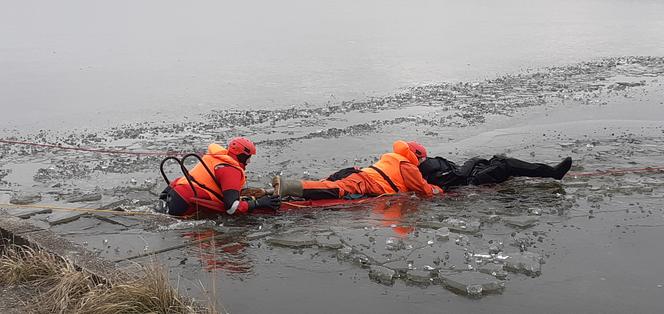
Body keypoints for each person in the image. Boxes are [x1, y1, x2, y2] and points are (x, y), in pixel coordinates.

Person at [273, 140, 443, 199]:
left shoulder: (392, 157)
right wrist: (440, 190)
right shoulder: (407, 166)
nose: (422, 163)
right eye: (421, 159)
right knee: (334, 190)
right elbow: (424, 190)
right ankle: (288, 187)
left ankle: (273, 191)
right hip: (364, 182)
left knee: (323, 185)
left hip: (356, 172)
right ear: (416, 156)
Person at [158, 137, 281, 216]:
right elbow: (232, 208)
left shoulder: (216, 158)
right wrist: (259, 203)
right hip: (184, 203)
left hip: (171, 192)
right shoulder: (231, 170)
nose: (249, 162)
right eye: (249, 158)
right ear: (243, 156)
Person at [418, 154, 573, 191]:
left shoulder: (428, 169)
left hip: (472, 176)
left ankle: (547, 171)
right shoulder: (431, 173)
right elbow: (460, 175)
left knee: (498, 159)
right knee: (506, 164)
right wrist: (473, 161)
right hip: (473, 181)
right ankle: (554, 172)